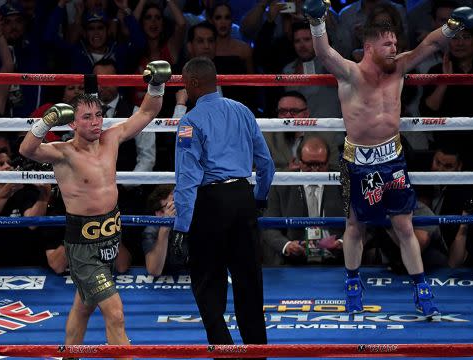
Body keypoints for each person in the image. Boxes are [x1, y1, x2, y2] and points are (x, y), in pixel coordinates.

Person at [303, 0, 473, 317]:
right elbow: (324, 53)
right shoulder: (350, 74)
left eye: (395, 42)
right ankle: (354, 283)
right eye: (387, 44)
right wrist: (317, 21)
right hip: (358, 162)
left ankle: (421, 289)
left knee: (405, 226)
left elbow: (430, 44)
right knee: (355, 226)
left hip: (392, 158)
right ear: (369, 46)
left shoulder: (399, 67)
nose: (394, 48)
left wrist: (452, 26)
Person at [19, 60, 171, 350]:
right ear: (73, 123)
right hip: (83, 246)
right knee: (115, 313)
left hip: (110, 236)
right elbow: (27, 149)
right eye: (87, 117)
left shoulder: (112, 138)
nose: (95, 122)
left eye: (99, 115)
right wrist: (46, 122)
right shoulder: (63, 153)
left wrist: (156, 84)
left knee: (83, 306)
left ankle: (70, 356)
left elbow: (149, 111)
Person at [171, 57, 275, 349]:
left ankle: (225, 353)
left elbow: (187, 179)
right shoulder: (242, 111)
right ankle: (258, 355)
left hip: (211, 203)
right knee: (249, 284)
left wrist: (182, 226)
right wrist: (260, 198)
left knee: (208, 283)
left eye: (183, 82)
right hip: (243, 197)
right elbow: (266, 164)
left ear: (192, 83)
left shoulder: (190, 121)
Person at [261, 135, 344, 266]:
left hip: (338, 260)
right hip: (293, 262)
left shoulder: (343, 182)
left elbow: (360, 224)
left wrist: (342, 243)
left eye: (320, 165)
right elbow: (269, 226)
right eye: (310, 164)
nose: (315, 170)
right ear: (298, 161)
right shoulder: (282, 183)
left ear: (328, 161)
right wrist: (287, 245)